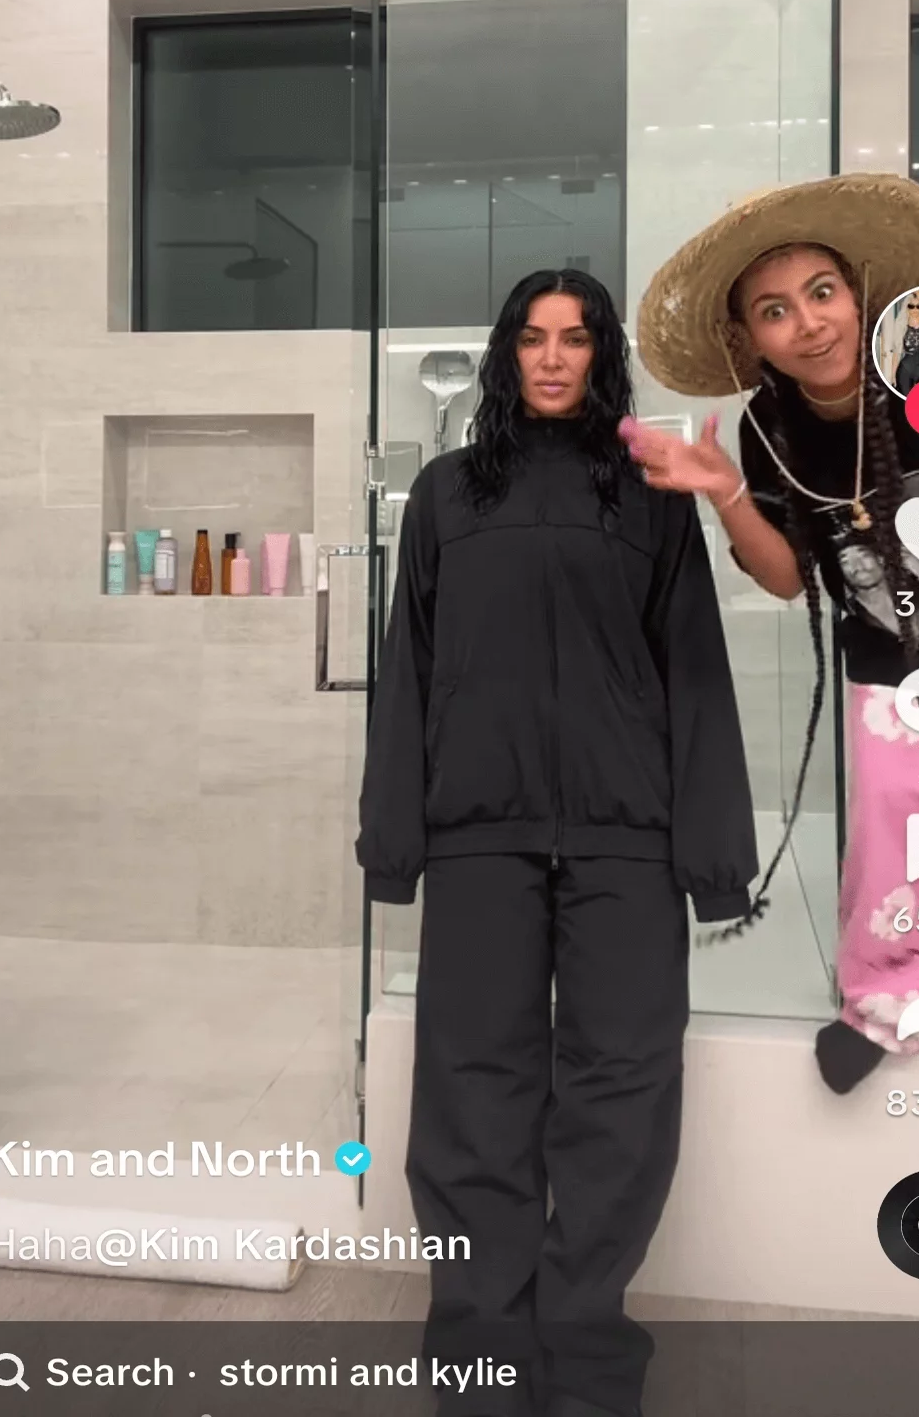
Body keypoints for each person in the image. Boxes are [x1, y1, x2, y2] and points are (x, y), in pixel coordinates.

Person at [357, 268, 757, 1417]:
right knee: (471, 1082)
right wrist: (396, 841)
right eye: (530, 338)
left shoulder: (649, 497)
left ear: (599, 358)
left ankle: (581, 1343)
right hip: (477, 837)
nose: (549, 357)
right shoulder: (440, 495)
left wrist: (710, 859)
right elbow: (409, 677)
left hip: (623, 840)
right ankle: (482, 1342)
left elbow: (693, 677)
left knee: (621, 1084)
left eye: (573, 339)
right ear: (502, 354)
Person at [626, 174, 919, 1097]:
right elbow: (781, 576)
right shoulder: (768, 431)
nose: (807, 323)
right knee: (892, 827)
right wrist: (723, 491)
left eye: (820, 293)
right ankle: (883, 1002)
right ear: (747, 338)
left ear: (856, 295)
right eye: (774, 311)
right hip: (899, 669)